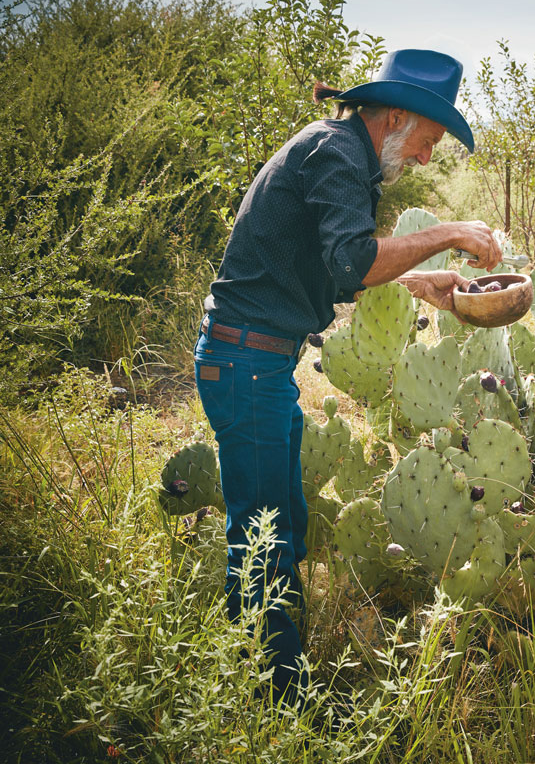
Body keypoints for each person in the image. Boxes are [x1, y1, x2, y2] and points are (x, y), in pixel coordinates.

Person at [194, 49, 501, 705]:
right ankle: (275, 703)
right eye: (428, 140)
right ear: (396, 116)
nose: (423, 157)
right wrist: (447, 233)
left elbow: (330, 264)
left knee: (284, 522)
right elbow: (354, 261)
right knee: (262, 538)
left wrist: (420, 280)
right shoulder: (336, 152)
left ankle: (269, 676)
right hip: (245, 361)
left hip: (257, 362)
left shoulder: (344, 153)